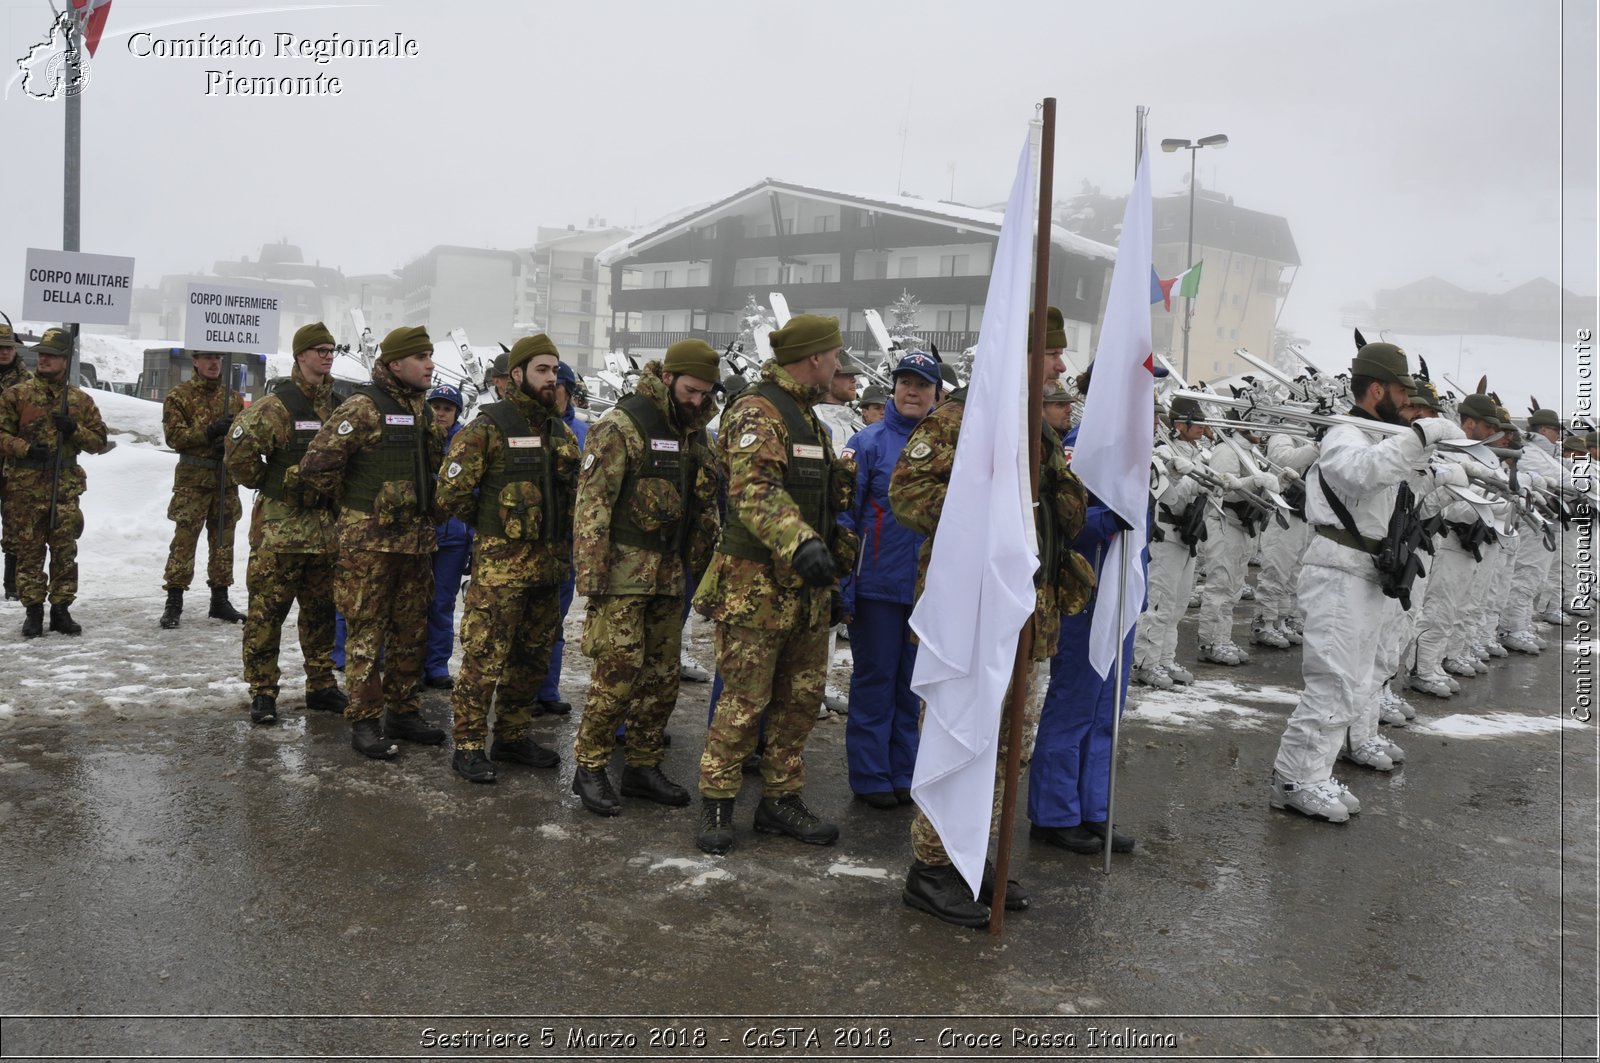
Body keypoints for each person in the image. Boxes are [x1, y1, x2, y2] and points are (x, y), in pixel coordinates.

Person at [892, 306, 1092, 928]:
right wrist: (991, 517)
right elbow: (909, 496)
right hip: (975, 614)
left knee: (1007, 748)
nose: (1061, 366)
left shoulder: (1036, 429)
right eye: (1052, 354)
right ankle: (931, 870)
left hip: (1029, 615)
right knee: (961, 734)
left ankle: (970, 857)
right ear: (1023, 357)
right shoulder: (961, 422)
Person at [1269, 338, 1457, 822]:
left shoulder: (1375, 437)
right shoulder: (1346, 436)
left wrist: (1443, 467)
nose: (1408, 403)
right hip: (1337, 572)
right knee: (1331, 683)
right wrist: (1415, 439)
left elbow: (1398, 496)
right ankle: (1296, 779)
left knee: (1352, 683)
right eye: (1401, 392)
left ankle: (1315, 771)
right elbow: (1359, 476)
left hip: (1365, 572)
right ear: (1376, 389)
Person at [692, 313, 856, 854]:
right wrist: (800, 541)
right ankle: (717, 800)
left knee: (800, 701)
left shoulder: (812, 420)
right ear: (814, 358)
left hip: (807, 592)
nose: (839, 363)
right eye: (834, 354)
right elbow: (754, 489)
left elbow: (816, 493)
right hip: (755, 590)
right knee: (745, 702)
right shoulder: (757, 411)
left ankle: (780, 800)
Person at [569, 340, 720, 814]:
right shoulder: (621, 426)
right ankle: (589, 767)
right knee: (617, 674)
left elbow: (706, 502)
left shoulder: (697, 435)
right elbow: (592, 507)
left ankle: (642, 764)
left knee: (662, 677)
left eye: (706, 393)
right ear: (669, 378)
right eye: (691, 390)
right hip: (622, 576)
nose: (697, 401)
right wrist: (592, 580)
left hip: (671, 575)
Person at [435, 334, 580, 783]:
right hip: (500, 570)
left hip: (549, 567)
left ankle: (513, 736)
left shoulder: (559, 430)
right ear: (515, 375)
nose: (551, 378)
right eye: (542, 369)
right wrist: (493, 524)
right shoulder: (488, 427)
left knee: (532, 658)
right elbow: (450, 491)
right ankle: (470, 743)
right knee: (485, 658)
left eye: (555, 371)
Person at [299, 325, 448, 760]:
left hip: (416, 544)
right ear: (396, 364)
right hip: (370, 547)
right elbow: (316, 466)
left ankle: (403, 710)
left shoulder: (422, 411)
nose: (430, 364)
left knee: (410, 632)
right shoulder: (363, 408)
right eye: (422, 357)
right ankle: (365, 721)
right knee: (367, 634)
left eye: (431, 356)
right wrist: (357, 506)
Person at [1027, 363, 1147, 857]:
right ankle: (1054, 813)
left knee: (1106, 710)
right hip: (1087, 592)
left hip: (1119, 595)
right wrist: (1104, 518)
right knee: (1075, 702)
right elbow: (1060, 520)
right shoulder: (1080, 447)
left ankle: (1092, 809)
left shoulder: (1135, 449)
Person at [224, 323, 346, 725]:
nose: (327, 356)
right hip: (281, 532)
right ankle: (263, 691)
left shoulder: (339, 406)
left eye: (331, 350)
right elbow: (238, 452)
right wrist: (271, 484)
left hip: (326, 531)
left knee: (321, 613)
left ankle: (321, 685)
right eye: (319, 350)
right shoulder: (277, 405)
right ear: (301, 356)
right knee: (266, 614)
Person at [838, 350, 938, 809]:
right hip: (876, 586)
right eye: (904, 382)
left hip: (925, 592)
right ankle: (871, 774)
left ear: (936, 393)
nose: (911, 391)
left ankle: (904, 770)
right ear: (894, 388)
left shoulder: (947, 447)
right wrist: (844, 586)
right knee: (876, 680)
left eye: (921, 384)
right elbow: (844, 517)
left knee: (911, 685)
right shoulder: (867, 444)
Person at [0, 327, 110, 637]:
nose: (44, 360)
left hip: (63, 488)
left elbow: (100, 441)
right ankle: (33, 611)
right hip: (25, 486)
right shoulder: (16, 395)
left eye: (52, 355)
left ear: (65, 360)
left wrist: (74, 429)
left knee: (64, 550)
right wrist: (23, 448)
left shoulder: (79, 399)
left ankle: (61, 609)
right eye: (42, 355)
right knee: (29, 551)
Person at [158, 350, 246, 628]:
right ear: (195, 362)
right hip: (193, 482)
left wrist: (230, 442)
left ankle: (219, 600)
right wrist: (208, 433)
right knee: (184, 543)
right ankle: (174, 602)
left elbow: (245, 434)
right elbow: (174, 437)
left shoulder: (232, 399)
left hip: (224, 480)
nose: (213, 364)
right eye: (207, 358)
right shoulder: (179, 396)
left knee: (223, 541)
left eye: (218, 359)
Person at [1134, 396, 1209, 688]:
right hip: (1166, 533)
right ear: (1180, 424)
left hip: (1189, 533)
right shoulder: (1163, 451)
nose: (1202, 427)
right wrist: (1187, 478)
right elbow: (1170, 497)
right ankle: (1145, 662)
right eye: (1196, 421)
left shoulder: (1198, 453)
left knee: (1178, 604)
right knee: (1160, 602)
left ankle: (1165, 658)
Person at [1196, 416, 1278, 665]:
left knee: (1233, 588)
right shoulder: (1226, 450)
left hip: (1242, 526)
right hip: (1224, 523)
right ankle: (1210, 641)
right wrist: (1251, 481)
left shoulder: (1249, 452)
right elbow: (1223, 488)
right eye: (1257, 426)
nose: (1261, 433)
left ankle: (1222, 638)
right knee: (1220, 585)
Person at [534, 361, 588, 715]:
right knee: (527, 622)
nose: (552, 390)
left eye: (558, 385)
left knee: (554, 619)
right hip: (529, 541)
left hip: (566, 542)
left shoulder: (583, 432)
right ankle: (522, 692)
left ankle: (546, 690)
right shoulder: (527, 426)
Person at [423, 383, 472, 689]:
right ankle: (409, 664)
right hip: (421, 533)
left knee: (442, 603)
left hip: (453, 538)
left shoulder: (468, 442)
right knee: (412, 602)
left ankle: (437, 665)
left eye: (447, 408)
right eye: (436, 407)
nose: (441, 414)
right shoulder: (417, 437)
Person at [0, 321, 35, 601]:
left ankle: (12, 585)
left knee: (14, 523)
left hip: (13, 461)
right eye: (0, 348)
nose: (4, 352)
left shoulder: (28, 384)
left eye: (9, 347)